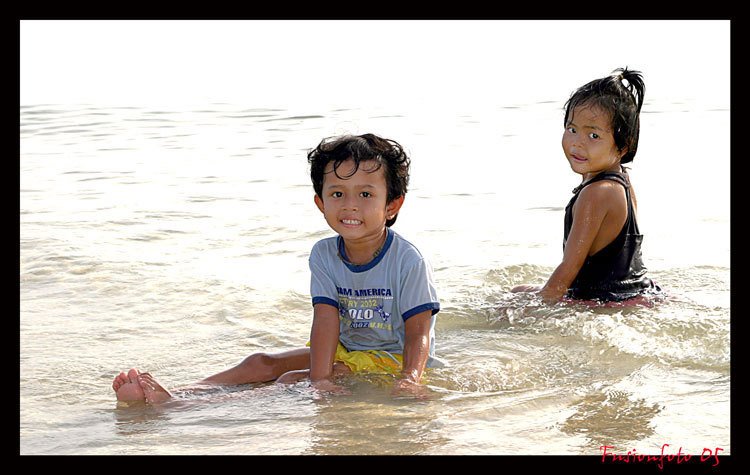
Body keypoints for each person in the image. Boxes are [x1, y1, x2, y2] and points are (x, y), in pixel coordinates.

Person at [113, 133, 441, 404]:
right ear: (320, 203)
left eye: (366, 194)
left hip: (390, 358)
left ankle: (182, 407)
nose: (350, 205)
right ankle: (187, 389)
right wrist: (322, 373)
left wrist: (409, 379)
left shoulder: (407, 260)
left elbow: (418, 332)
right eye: (337, 193)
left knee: (291, 380)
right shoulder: (324, 253)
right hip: (348, 348)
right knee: (262, 363)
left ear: (392, 205)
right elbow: (325, 319)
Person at [512, 67, 660, 303]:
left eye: (593, 136)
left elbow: (568, 270)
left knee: (510, 306)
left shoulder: (596, 194)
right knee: (518, 291)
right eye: (572, 129)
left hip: (607, 301)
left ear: (624, 146)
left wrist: (534, 310)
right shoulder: (622, 180)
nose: (577, 144)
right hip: (635, 290)